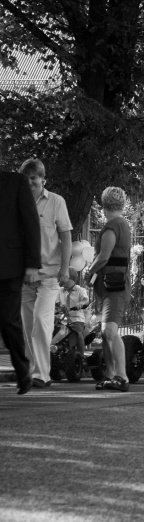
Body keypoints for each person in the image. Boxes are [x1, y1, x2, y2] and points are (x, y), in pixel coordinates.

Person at [20, 158, 72, 388]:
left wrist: (65, 268)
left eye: (33, 179)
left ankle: (42, 373)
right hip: (23, 275)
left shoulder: (56, 202)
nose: (29, 183)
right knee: (27, 325)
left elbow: (66, 236)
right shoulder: (16, 202)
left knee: (41, 321)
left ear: (43, 180)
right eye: (26, 179)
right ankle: (33, 371)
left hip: (49, 274)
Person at [0, 149, 41, 394]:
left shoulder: (15, 182)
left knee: (6, 318)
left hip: (10, 266)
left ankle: (23, 369)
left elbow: (31, 223)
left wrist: (32, 264)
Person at [86, 187, 130, 391]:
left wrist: (88, 271)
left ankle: (121, 376)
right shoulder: (123, 224)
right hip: (111, 284)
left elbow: (104, 257)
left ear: (104, 204)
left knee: (109, 330)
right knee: (105, 333)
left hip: (113, 286)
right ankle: (111, 375)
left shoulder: (113, 225)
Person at [57, 268, 90, 357]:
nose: (63, 282)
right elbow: (54, 303)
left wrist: (81, 303)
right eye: (61, 279)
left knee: (78, 333)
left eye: (65, 279)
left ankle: (81, 355)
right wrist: (60, 307)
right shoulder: (60, 290)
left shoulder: (80, 290)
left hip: (76, 319)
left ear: (73, 279)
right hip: (62, 319)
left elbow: (86, 300)